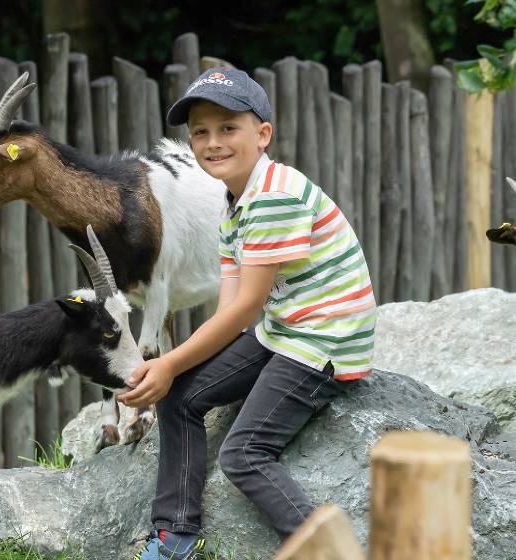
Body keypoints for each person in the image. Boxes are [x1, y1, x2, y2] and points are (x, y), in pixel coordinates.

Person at [117, 67, 376, 560]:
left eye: (228, 128)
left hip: (322, 342)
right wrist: (184, 369)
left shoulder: (273, 197)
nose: (213, 142)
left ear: (262, 135)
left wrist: (169, 361)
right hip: (282, 330)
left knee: (243, 455)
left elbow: (246, 309)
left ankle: (330, 552)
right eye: (200, 132)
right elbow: (230, 307)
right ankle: (175, 536)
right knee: (181, 398)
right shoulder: (233, 200)